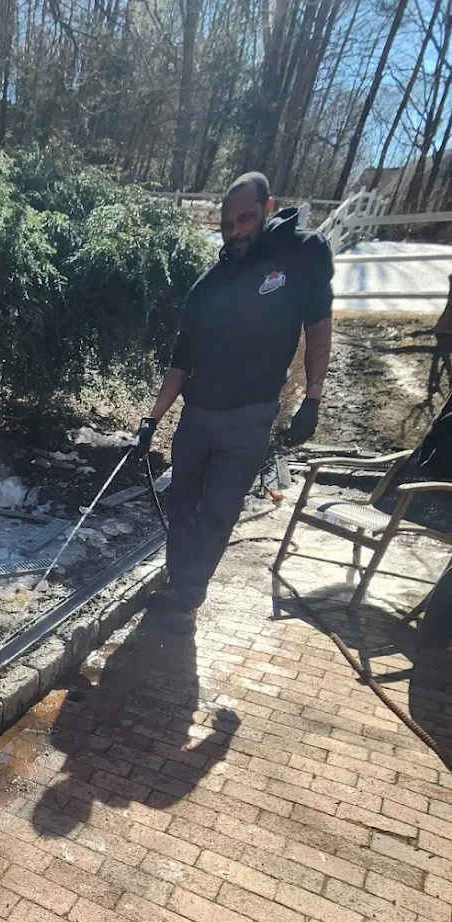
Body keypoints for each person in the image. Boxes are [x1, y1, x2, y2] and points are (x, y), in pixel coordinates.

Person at [136, 172, 334, 617]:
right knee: (182, 504)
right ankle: (179, 582)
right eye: (227, 224)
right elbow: (181, 362)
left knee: (219, 510)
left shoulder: (302, 253)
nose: (236, 231)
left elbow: (319, 329)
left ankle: (187, 596)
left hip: (249, 417)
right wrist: (152, 419)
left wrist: (313, 399)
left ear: (268, 208)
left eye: (245, 219)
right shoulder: (209, 285)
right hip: (197, 416)